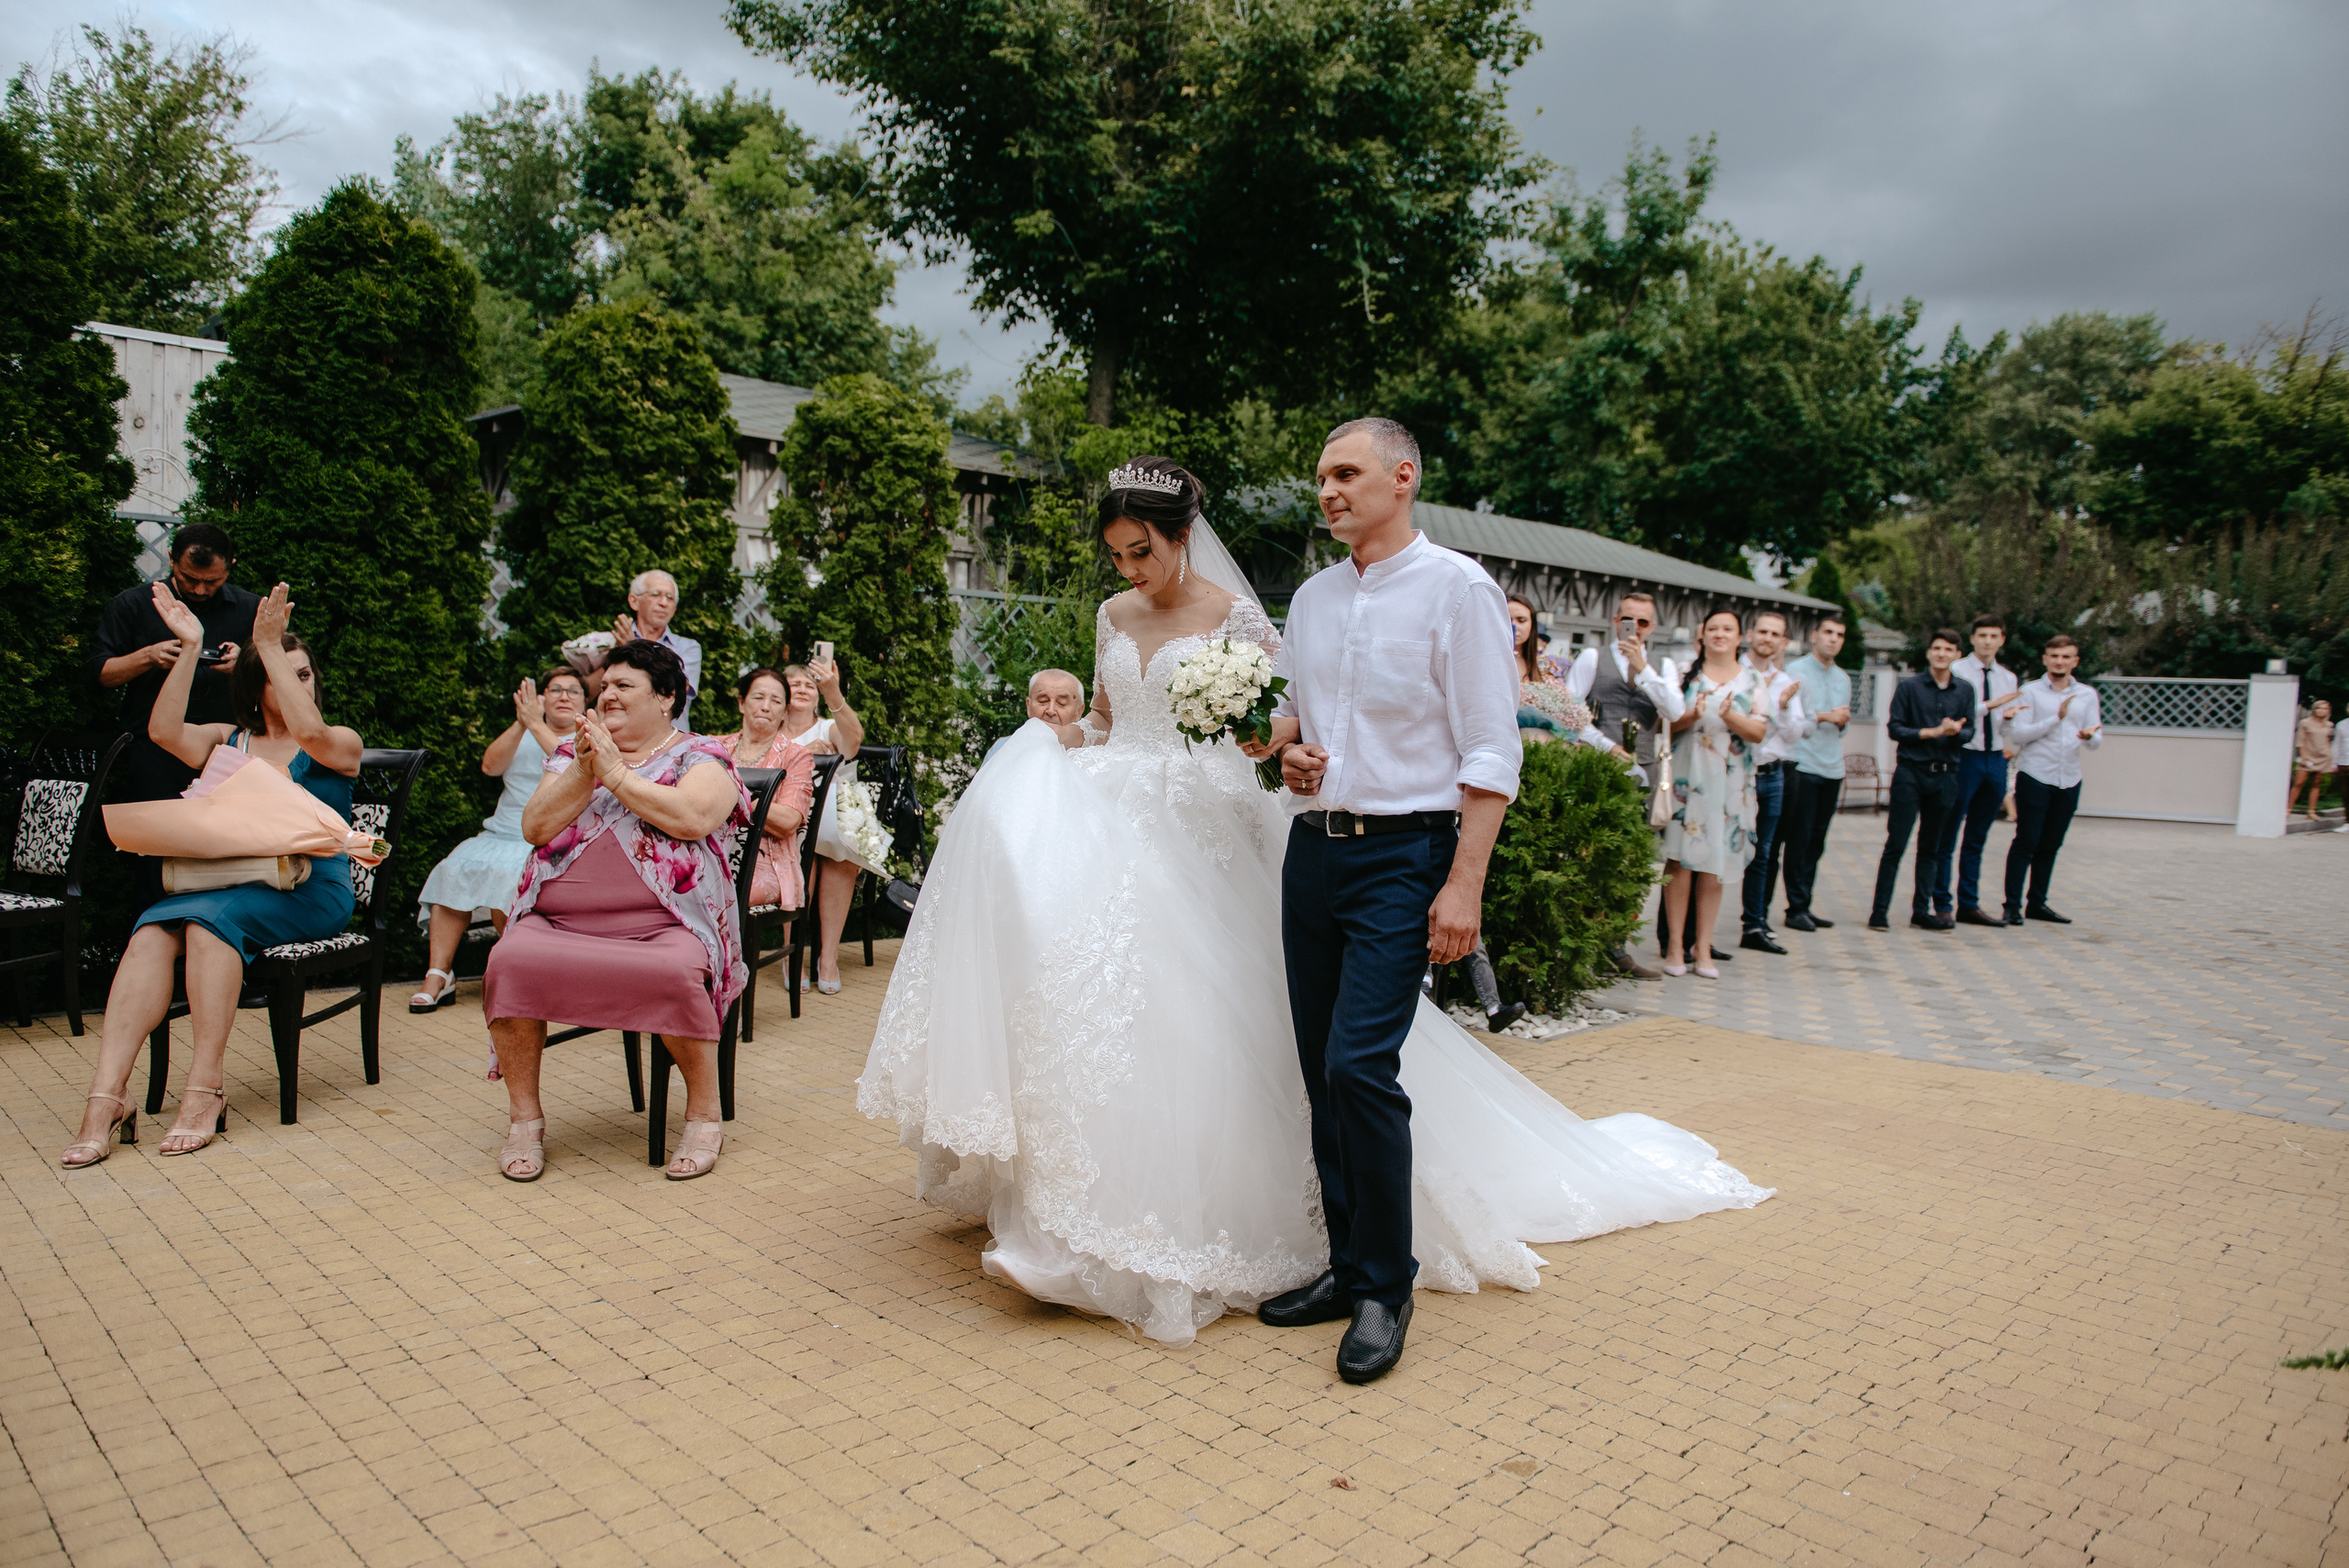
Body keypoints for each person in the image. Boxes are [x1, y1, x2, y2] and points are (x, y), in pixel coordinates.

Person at [856, 447, 1769, 1361]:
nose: (1129, 568)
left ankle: (1384, 1282)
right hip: (1283, 842)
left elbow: (1487, 750)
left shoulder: (1435, 592)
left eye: (1345, 475)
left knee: (1355, 1065)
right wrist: (1248, 745)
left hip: (1377, 845)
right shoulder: (1313, 601)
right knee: (1276, 1055)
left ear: (1400, 476)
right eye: (1118, 553)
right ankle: (1335, 1258)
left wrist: (1463, 882)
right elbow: (1266, 722)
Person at [60, 583, 362, 1167]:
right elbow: (164, 733)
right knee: (151, 931)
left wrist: (272, 646)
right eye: (282, 674)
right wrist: (191, 644)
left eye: (306, 675)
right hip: (222, 885)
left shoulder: (337, 744)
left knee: (208, 926)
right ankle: (106, 1099)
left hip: (309, 889)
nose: (301, 686)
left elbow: (312, 734)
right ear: (253, 687)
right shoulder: (232, 741)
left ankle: (204, 1090)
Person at [481, 640, 753, 1183]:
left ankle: (704, 1114)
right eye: (605, 685)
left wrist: (619, 774)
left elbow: (695, 817)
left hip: (665, 925)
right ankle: (524, 1120)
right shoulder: (571, 753)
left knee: (673, 972)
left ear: (667, 699)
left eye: (624, 685)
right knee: (508, 959)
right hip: (557, 922)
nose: (607, 694)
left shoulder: (702, 755)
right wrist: (588, 769)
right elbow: (535, 828)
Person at [85, 523, 262, 906]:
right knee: (153, 861)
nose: (200, 590)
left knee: (226, 857)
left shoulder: (250, 607)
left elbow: (283, 673)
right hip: (152, 754)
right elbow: (100, 673)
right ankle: (154, 945)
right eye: (189, 579)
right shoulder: (131, 604)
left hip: (227, 755)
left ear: (230, 566)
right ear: (170, 561)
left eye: (212, 581)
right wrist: (147, 656)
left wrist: (245, 663)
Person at [409, 670, 587, 1012]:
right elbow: (490, 766)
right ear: (541, 699)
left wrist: (537, 725)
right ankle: (438, 974)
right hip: (500, 833)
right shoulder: (524, 731)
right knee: (454, 868)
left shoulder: (586, 737)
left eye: (573, 690)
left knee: (510, 877)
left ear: (585, 701)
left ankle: (513, 974)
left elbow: (570, 764)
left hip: (549, 837)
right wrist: (522, 724)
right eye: (555, 689)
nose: (564, 696)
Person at [1565, 591, 1681, 980]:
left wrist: (1643, 669)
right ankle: (1586, 945)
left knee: (1634, 862)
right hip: (1601, 769)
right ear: (1616, 621)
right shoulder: (1592, 657)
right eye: (1628, 619)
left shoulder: (1663, 665)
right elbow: (1568, 711)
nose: (1635, 627)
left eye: (1643, 622)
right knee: (1592, 857)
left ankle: (1617, 945)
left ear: (1652, 627)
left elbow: (1675, 711)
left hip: (1645, 772)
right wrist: (1605, 743)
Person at [1656, 610, 1769, 978]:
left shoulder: (1754, 678)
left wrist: (1730, 716)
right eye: (1713, 628)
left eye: (1728, 629)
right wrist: (1693, 714)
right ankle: (1674, 947)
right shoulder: (1683, 671)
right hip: (1687, 782)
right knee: (1679, 863)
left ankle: (1702, 947)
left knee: (1713, 867)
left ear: (1741, 637)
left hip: (1729, 787)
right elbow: (1663, 726)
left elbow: (1758, 732)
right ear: (1702, 634)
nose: (1720, 634)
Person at [1869, 629, 1976, 932]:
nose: (1942, 654)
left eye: (1949, 649)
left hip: (1945, 776)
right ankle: (1879, 911)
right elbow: (1895, 729)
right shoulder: (1910, 688)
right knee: (1897, 844)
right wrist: (1929, 732)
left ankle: (1921, 910)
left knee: (1932, 847)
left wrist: (1956, 732)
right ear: (1928, 653)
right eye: (1937, 648)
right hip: (1911, 774)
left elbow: (1971, 732)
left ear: (1957, 655)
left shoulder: (1965, 691)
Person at [777, 656, 869, 995]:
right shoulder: (770, 731)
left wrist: (834, 693)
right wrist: (801, 755)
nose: (801, 687)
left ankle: (828, 957)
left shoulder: (825, 728)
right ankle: (792, 954)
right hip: (792, 816)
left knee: (842, 850)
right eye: (793, 683)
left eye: (809, 684)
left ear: (818, 695)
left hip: (835, 811)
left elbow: (852, 742)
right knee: (799, 849)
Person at [2001, 635, 2102, 924]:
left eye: (2066, 656)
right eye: (2054, 655)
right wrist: (2056, 719)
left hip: (2069, 778)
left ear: (2075, 661)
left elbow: (2096, 738)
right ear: (2045, 659)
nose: (2060, 661)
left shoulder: (2086, 694)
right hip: (2035, 776)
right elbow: (2018, 735)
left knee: (2051, 844)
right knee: (2027, 841)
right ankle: (2012, 906)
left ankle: (2038, 904)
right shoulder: (2029, 692)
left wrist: (2089, 737)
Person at [1940, 615, 2025, 927]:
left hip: (1994, 757)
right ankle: (1942, 902)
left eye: (1994, 635)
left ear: (2002, 640)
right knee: (1948, 833)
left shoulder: (2008, 677)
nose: (1988, 641)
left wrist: (2009, 715)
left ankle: (1969, 903)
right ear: (1972, 638)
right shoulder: (1957, 670)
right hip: (1965, 755)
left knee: (1977, 836)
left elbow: (2001, 721)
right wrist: (1991, 705)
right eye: (1982, 635)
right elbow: (1955, 714)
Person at [1736, 611, 1809, 955]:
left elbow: (1794, 734)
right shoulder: (1733, 672)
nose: (1767, 638)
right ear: (1750, 634)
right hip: (1736, 772)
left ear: (1784, 642)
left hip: (1771, 773)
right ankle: (1690, 933)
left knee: (1763, 853)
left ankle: (1754, 924)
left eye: (1775, 634)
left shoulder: (1786, 682)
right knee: (1718, 849)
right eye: (1762, 631)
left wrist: (1781, 706)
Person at [1776, 616, 1854, 933]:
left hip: (1832, 767)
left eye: (1840, 634)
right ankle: (1795, 908)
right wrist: (1825, 716)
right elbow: (1793, 720)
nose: (1833, 639)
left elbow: (1843, 724)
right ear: (1814, 636)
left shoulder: (1843, 678)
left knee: (1817, 842)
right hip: (1804, 765)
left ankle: (1805, 903)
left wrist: (1839, 720)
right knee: (1799, 838)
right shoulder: (1796, 672)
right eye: (1828, 633)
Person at [718, 667, 817, 910]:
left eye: (775, 701)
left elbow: (788, 821)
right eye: (758, 697)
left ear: (784, 712)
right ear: (742, 703)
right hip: (710, 854)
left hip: (766, 864)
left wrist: (732, 795)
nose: (765, 707)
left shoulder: (796, 755)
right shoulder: (715, 746)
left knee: (705, 893)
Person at [596, 570, 703, 725]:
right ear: (634, 601)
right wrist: (616, 654)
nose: (663, 603)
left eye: (670, 598)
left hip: (669, 742)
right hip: (615, 738)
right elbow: (589, 692)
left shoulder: (688, 647)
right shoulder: (611, 641)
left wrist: (630, 650)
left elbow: (676, 691)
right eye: (655, 594)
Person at [985, 670, 1085, 765]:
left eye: (1061, 703)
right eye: (1043, 701)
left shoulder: (1088, 756)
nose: (1050, 711)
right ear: (1028, 706)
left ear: (1079, 711)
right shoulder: (1003, 747)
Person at [2291, 699, 2335, 823]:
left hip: (2324, 757)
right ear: (2314, 709)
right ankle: (2288, 809)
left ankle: (2311, 811)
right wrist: (2303, 756)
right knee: (2299, 783)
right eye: (2319, 708)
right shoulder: (2305, 723)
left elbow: (2329, 741)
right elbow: (2300, 741)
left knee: (2316, 784)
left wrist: (2331, 759)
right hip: (2308, 756)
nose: (2321, 711)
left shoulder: (2329, 725)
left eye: (2325, 708)